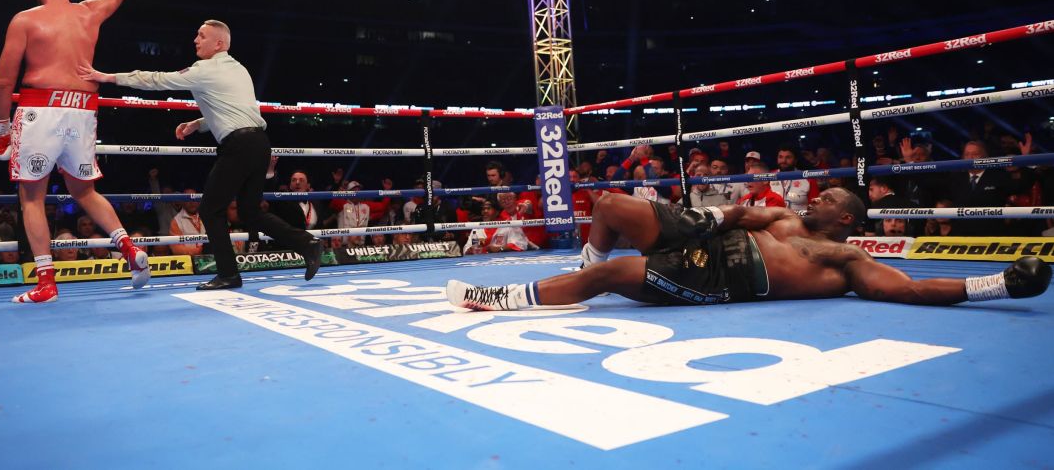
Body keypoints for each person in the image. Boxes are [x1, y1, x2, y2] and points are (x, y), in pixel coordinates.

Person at [446, 189, 1051, 311]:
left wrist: (996, 283)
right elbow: (740, 211)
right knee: (608, 205)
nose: (811, 201)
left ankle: (500, 298)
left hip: (724, 274)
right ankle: (579, 271)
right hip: (710, 234)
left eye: (827, 200)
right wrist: (716, 214)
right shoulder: (786, 214)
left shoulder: (844, 260)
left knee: (619, 276)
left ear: (843, 219)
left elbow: (910, 289)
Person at [78, 19, 322, 289]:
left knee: (210, 209)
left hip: (239, 147)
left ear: (218, 43)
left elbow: (157, 80)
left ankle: (228, 274)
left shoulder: (205, 69)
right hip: (259, 143)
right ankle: (307, 243)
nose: (195, 40)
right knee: (250, 212)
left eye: (202, 36)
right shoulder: (239, 69)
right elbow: (234, 108)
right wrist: (198, 123)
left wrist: (108, 77)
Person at [0, 0, 150, 303]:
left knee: (32, 197)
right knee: (84, 191)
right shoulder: (89, 12)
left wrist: (1, 131)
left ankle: (46, 282)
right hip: (82, 109)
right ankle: (127, 248)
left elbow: (2, 81)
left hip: (40, 108)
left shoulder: (27, 19)